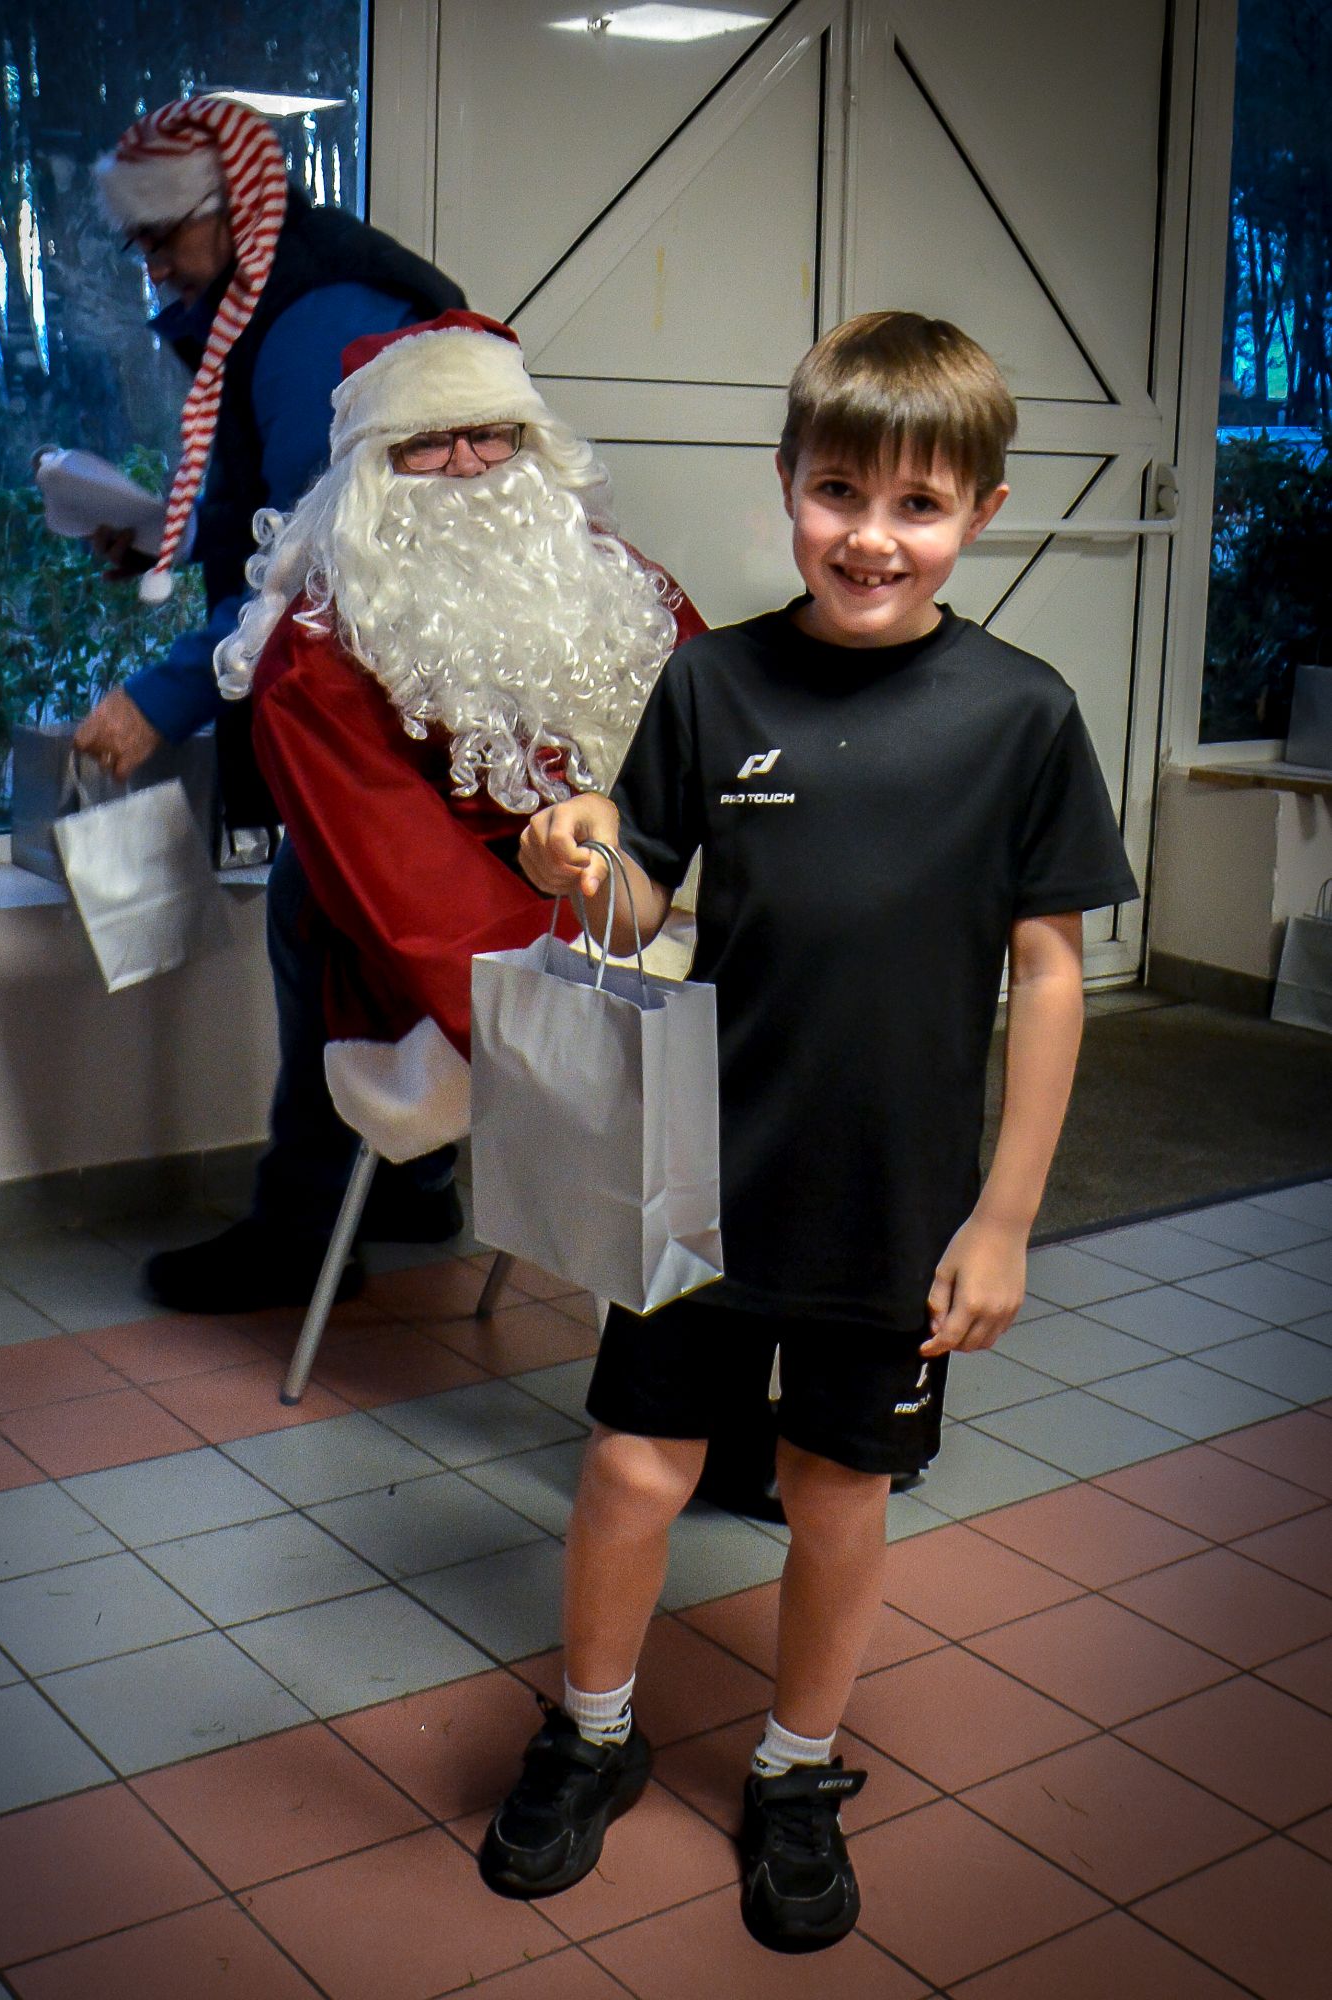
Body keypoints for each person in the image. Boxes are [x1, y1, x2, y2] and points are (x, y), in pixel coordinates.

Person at [483, 310, 1139, 1954]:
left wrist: (1003, 1218)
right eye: (838, 492)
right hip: (701, 1173)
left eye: (919, 505)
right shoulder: (713, 681)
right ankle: (594, 1734)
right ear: (786, 482)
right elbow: (637, 903)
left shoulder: (1022, 714)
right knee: (633, 1465)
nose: (870, 536)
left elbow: (1051, 977)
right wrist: (577, 854)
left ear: (980, 512)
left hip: (894, 1205)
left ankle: (794, 1769)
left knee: (837, 1488)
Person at [71, 95, 470, 1310]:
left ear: (232, 209)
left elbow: (308, 561)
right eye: (138, 245)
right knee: (344, 924)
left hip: (395, 681)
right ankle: (405, 1182)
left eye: (164, 238)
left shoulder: (316, 319)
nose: (153, 267)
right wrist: (165, 536)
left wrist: (161, 695)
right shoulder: (277, 294)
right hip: (393, 669)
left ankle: (304, 1228)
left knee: (321, 917)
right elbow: (267, 498)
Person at [211, 310, 703, 1106]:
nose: (467, 465)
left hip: (616, 910)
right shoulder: (313, 662)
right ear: (372, 469)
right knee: (343, 1146)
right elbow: (415, 892)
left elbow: (711, 732)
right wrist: (573, 1008)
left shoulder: (614, 583)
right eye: (428, 443)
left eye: (490, 434)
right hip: (425, 951)